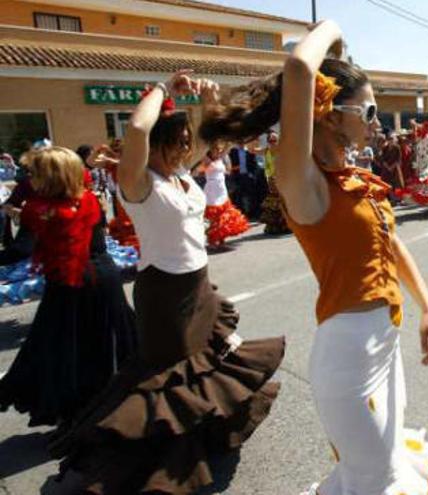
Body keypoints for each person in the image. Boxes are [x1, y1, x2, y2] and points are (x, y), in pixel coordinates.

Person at [199, 21, 428, 495]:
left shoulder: (353, 176)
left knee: (384, 469)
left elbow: (390, 243)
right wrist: (332, 29)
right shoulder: (303, 181)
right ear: (329, 114)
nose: (376, 120)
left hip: (386, 345)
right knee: (374, 481)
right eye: (368, 109)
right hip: (348, 359)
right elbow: (300, 69)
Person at [49, 72, 285, 494]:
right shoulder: (138, 182)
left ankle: (206, 438)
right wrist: (163, 88)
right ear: (155, 144)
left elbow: (213, 139)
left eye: (185, 142)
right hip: (165, 294)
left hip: (198, 285)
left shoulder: (179, 175)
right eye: (177, 141)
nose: (185, 148)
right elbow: (138, 127)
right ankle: (163, 462)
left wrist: (208, 101)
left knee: (204, 364)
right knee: (169, 380)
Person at [0, 147, 138, 427]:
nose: (30, 179)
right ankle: (116, 403)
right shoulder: (88, 199)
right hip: (103, 277)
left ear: (49, 177)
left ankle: (84, 410)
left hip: (71, 282)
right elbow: (97, 244)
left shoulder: (40, 210)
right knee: (110, 343)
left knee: (61, 348)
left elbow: (21, 250)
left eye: (34, 173)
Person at [202, 142, 250, 247]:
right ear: (210, 151)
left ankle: (221, 239)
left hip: (221, 188)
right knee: (214, 216)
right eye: (216, 149)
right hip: (212, 189)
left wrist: (229, 142)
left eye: (219, 149)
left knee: (224, 214)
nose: (218, 151)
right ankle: (212, 240)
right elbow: (202, 152)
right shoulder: (206, 159)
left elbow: (227, 149)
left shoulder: (220, 158)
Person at [260, 130, 291, 234]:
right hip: (272, 180)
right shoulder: (267, 151)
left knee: (284, 202)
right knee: (273, 204)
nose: (272, 142)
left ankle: (287, 226)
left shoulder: (283, 150)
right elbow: (253, 151)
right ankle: (275, 226)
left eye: (274, 140)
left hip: (283, 178)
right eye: (270, 140)